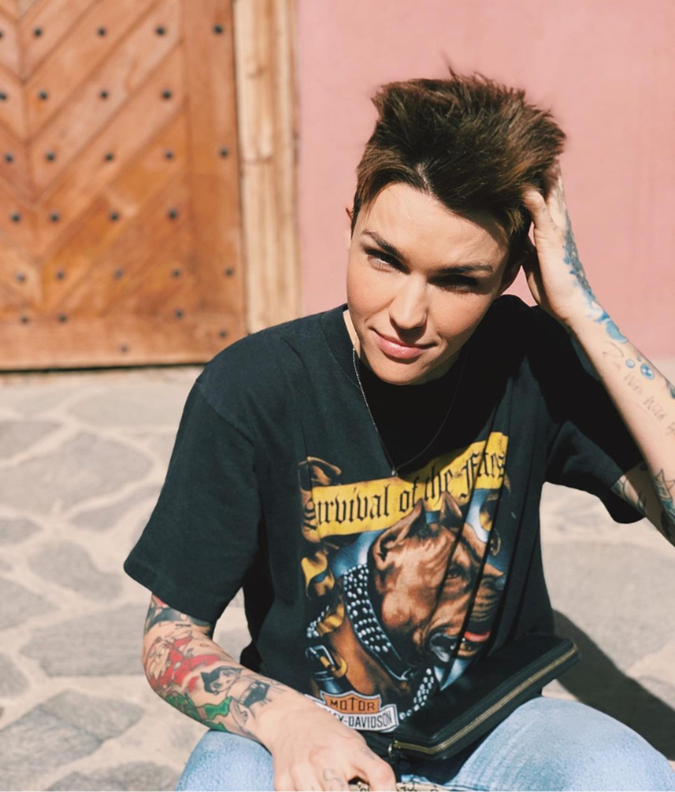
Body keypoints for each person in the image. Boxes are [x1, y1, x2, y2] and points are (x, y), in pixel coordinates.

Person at [124, 69, 675, 791]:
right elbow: (169, 637)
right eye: (383, 259)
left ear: (511, 274)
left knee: (629, 776)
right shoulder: (253, 388)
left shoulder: (529, 361)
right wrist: (287, 724)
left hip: (499, 730)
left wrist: (577, 308)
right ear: (350, 223)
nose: (407, 314)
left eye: (458, 281)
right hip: (308, 727)